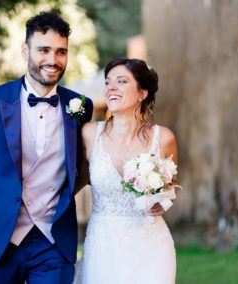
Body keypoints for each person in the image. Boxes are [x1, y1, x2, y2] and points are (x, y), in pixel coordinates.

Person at [0, 11, 93, 284]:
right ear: (25, 50)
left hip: (53, 242)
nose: (53, 60)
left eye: (61, 52)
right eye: (44, 50)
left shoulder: (80, 107)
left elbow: (84, 167)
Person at [75, 58, 177, 284]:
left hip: (151, 247)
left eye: (121, 81)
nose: (111, 87)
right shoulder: (90, 134)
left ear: (142, 93)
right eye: (108, 82)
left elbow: (170, 191)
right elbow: (75, 182)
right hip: (103, 245)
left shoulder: (164, 138)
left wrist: (161, 203)